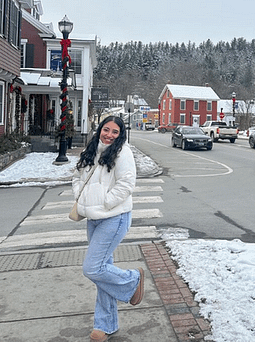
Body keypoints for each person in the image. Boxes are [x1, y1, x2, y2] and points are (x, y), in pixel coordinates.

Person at [72, 116, 144, 342]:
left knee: (92, 268)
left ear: (120, 133)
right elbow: (77, 176)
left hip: (114, 217)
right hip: (92, 218)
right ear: (100, 129)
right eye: (106, 130)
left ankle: (133, 280)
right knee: (103, 271)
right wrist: (81, 196)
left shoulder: (123, 152)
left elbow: (126, 184)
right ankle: (105, 324)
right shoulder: (92, 148)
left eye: (115, 131)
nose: (109, 135)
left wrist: (104, 202)